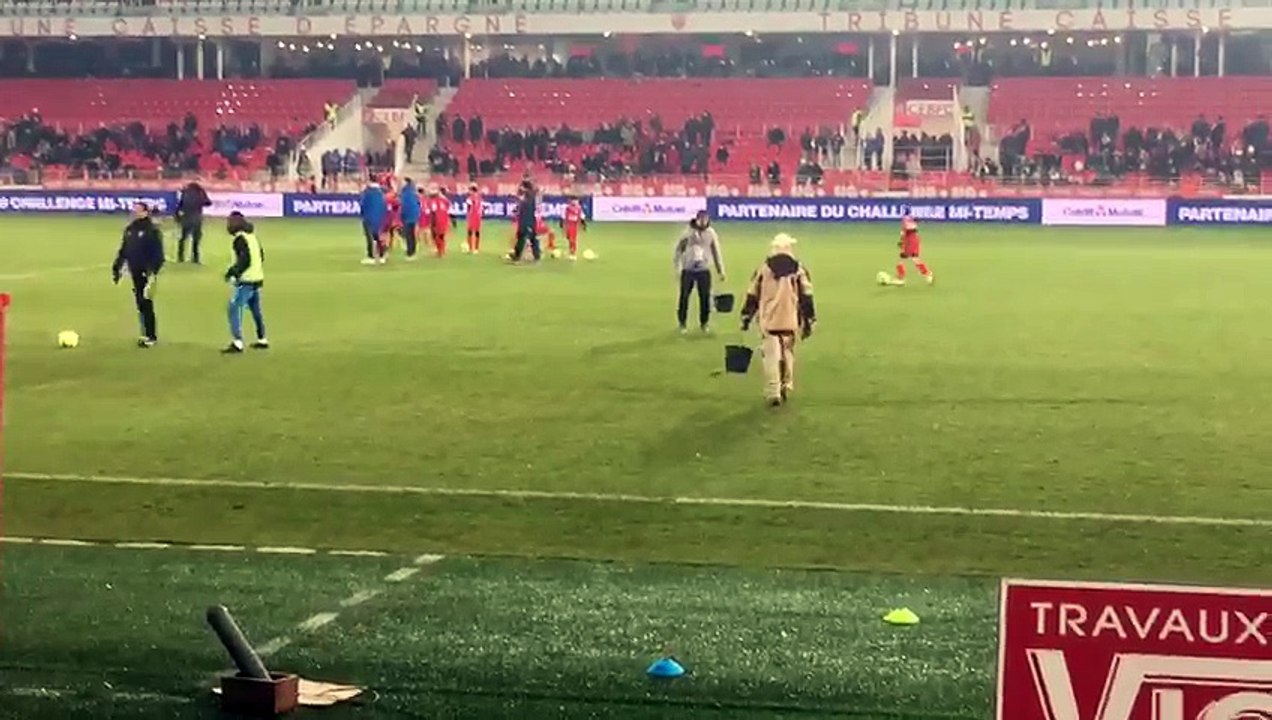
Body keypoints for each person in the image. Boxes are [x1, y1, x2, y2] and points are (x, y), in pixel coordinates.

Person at [740, 233, 816, 407]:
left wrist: (746, 315)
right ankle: (786, 384)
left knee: (771, 356)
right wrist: (810, 318)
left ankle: (773, 391)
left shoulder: (764, 269)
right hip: (790, 319)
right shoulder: (798, 269)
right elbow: (806, 295)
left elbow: (753, 293)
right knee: (788, 353)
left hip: (769, 320)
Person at [111, 202, 165, 348]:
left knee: (146, 302)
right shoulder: (130, 229)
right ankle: (145, 333)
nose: (135, 212)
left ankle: (151, 336)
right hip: (134, 271)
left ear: (146, 212)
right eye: (134, 210)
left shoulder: (152, 231)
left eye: (139, 210)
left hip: (146, 272)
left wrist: (153, 272)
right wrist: (117, 267)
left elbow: (158, 254)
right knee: (140, 303)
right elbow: (124, 250)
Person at [222, 212, 268, 354]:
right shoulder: (252, 237)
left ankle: (238, 342)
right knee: (255, 310)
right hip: (257, 278)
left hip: (247, 280)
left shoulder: (240, 239)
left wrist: (233, 273)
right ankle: (262, 339)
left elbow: (244, 260)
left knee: (234, 308)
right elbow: (261, 256)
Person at [672, 210, 725, 334]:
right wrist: (678, 267)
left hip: (704, 269)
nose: (703, 222)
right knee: (684, 297)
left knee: (705, 298)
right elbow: (679, 250)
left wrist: (720, 270)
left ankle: (704, 323)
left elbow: (716, 252)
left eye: (705, 219)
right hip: (688, 269)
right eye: (701, 219)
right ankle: (682, 323)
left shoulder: (711, 233)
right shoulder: (687, 233)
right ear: (697, 219)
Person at [175, 179, 211, 263]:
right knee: (196, 239)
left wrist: (177, 217)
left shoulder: (185, 192)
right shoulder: (200, 192)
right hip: (196, 219)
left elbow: (180, 205)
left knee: (183, 238)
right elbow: (208, 202)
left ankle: (180, 256)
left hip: (186, 218)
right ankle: (195, 258)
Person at [892, 215, 934, 285]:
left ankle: (901, 279)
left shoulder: (907, 224)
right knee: (913, 259)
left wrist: (902, 241)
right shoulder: (908, 224)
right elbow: (907, 231)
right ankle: (928, 274)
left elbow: (908, 230)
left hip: (911, 243)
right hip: (911, 242)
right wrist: (902, 241)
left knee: (908, 260)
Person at [508, 180, 541, 263]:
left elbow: (525, 201)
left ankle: (518, 256)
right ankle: (535, 255)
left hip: (528, 220)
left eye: (521, 186)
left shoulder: (529, 195)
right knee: (527, 237)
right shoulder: (528, 196)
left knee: (525, 238)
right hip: (524, 220)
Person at [359, 180, 387, 265]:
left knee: (369, 237)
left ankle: (371, 256)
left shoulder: (367, 194)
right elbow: (383, 207)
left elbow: (363, 206)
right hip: (379, 218)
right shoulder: (381, 194)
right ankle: (382, 256)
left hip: (369, 218)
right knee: (378, 237)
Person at [426, 185, 451, 257]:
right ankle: (442, 250)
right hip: (444, 220)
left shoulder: (432, 201)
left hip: (437, 220)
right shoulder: (445, 200)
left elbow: (432, 211)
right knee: (441, 236)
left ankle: (440, 251)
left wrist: (432, 223)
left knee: (437, 236)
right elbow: (448, 208)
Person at [400, 177, 422, 260]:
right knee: (411, 235)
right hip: (413, 216)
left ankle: (410, 253)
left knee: (409, 235)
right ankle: (412, 251)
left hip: (408, 216)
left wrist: (402, 215)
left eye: (403, 182)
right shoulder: (412, 192)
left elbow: (405, 206)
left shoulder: (406, 193)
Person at [560, 195, 586, 260]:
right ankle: (571, 250)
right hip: (568, 225)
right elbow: (564, 215)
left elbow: (582, 216)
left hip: (574, 225)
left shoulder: (579, 208)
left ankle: (573, 253)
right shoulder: (567, 208)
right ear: (571, 201)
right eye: (573, 200)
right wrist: (562, 223)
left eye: (576, 201)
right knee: (569, 238)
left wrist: (584, 224)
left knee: (573, 239)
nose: (575, 202)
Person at [465, 184, 483, 254]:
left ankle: (470, 248)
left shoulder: (470, 197)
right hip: (478, 216)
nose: (469, 191)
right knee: (477, 232)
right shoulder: (479, 197)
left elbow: (468, 207)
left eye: (470, 190)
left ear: (472, 190)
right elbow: (481, 207)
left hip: (472, 216)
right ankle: (476, 249)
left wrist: (468, 215)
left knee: (470, 232)